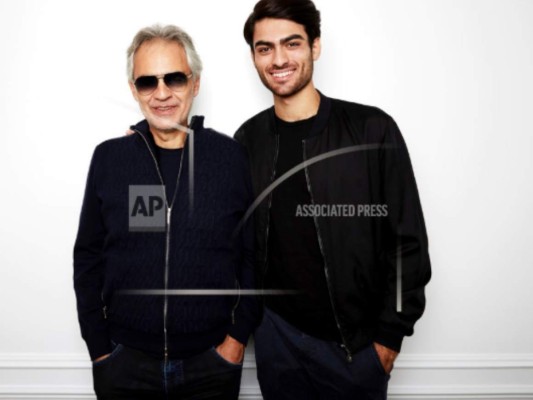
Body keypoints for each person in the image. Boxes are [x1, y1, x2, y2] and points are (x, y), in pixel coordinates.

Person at [234, 0, 431, 399]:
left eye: (292, 43)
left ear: (315, 46)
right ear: (254, 56)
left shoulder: (371, 129)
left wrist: (388, 339)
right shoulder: (247, 140)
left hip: (355, 350)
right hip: (276, 342)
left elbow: (406, 240)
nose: (278, 59)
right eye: (264, 48)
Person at [73, 24, 258, 400]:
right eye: (147, 82)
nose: (161, 94)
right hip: (124, 363)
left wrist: (236, 341)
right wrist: (100, 349)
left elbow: (253, 256)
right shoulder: (110, 159)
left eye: (174, 78)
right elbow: (88, 257)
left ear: (195, 83)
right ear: (133, 90)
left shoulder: (229, 157)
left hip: (212, 363)